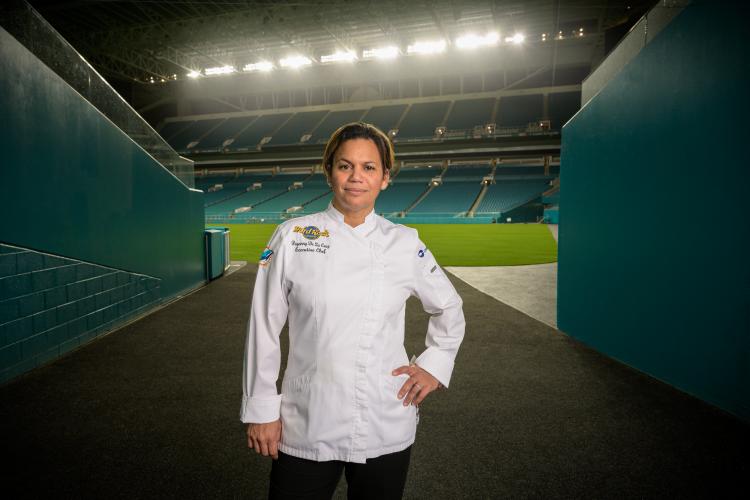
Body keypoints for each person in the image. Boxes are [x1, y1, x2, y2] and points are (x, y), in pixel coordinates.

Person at [241, 122, 466, 499]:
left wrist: (433, 365)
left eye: (369, 168)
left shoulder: (404, 242)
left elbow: (449, 307)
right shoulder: (292, 236)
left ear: (384, 178)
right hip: (308, 419)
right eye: (345, 166)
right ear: (329, 171)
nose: (356, 177)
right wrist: (262, 409)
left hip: (384, 419)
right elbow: (263, 325)